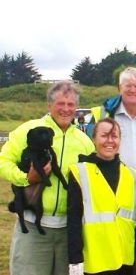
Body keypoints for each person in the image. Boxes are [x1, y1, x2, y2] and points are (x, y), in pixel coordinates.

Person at [0, 81, 95, 275]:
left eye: (70, 105)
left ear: (76, 108)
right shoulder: (29, 130)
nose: (66, 109)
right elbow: (3, 162)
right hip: (32, 229)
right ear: (49, 105)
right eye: (60, 104)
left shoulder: (85, 141)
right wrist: (27, 178)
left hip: (69, 231)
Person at [88, 66, 136, 273]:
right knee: (110, 245)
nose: (133, 90)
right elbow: (89, 149)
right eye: (128, 85)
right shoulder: (103, 113)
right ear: (118, 87)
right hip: (110, 191)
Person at [67, 118, 136, 275]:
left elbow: (135, 220)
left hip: (125, 261)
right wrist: (75, 259)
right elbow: (73, 221)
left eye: (114, 136)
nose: (110, 140)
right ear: (93, 139)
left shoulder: (131, 176)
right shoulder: (80, 173)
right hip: (96, 262)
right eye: (104, 135)